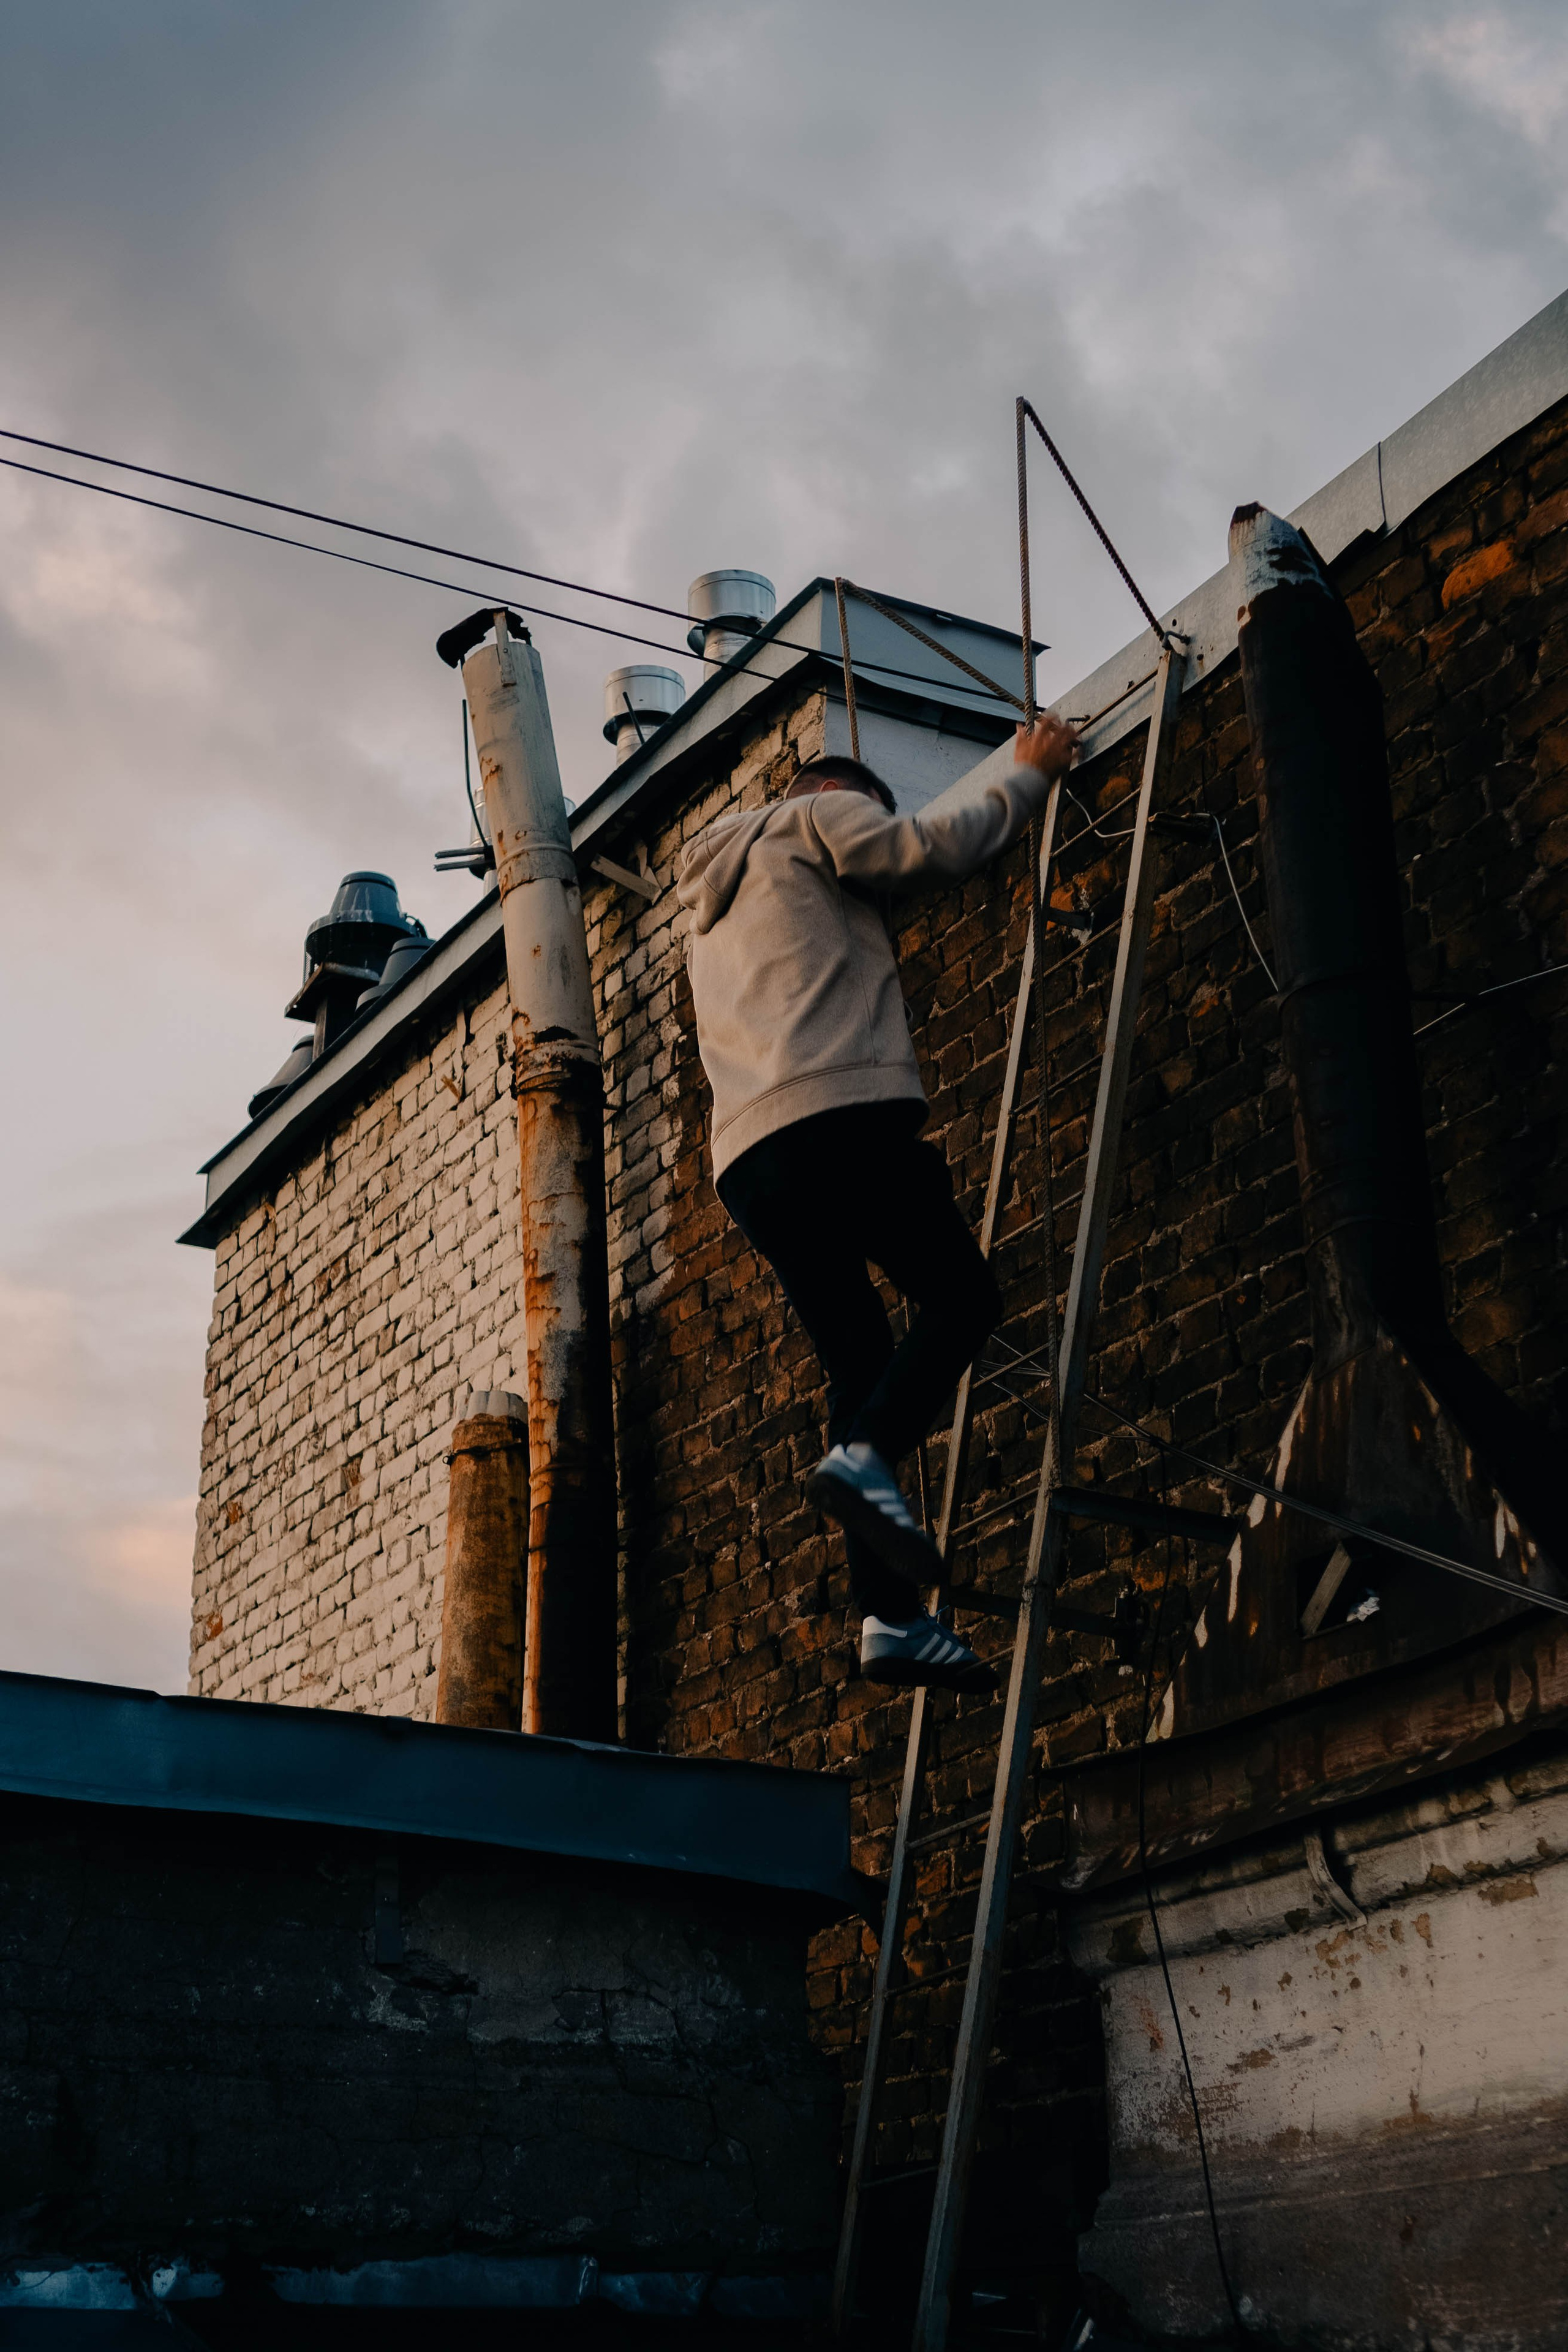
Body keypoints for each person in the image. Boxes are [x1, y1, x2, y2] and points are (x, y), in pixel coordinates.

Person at [677, 712, 1080, 1690]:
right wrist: (1028, 776)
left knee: (858, 1363)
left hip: (750, 1164)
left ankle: (889, 1621)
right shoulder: (815, 817)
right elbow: (925, 850)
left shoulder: (707, 910)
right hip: (838, 1118)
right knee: (963, 1301)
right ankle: (865, 1460)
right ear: (840, 794)